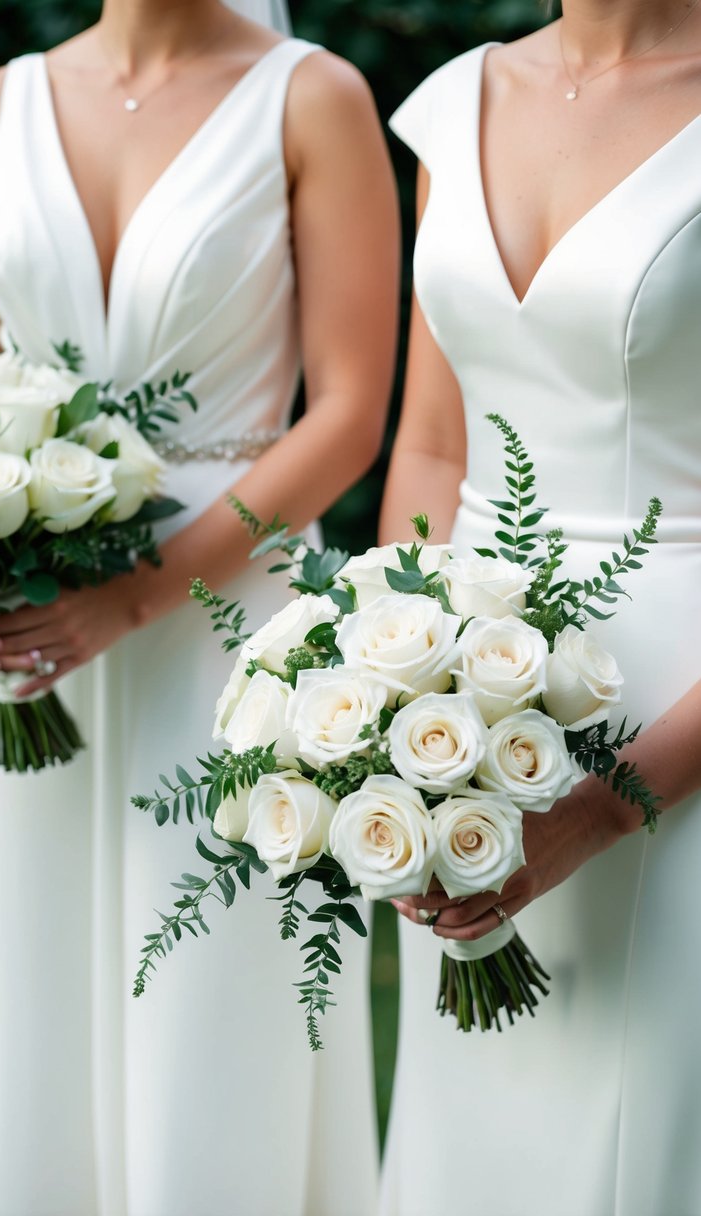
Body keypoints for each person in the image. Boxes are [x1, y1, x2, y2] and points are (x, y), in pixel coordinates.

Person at [0, 1, 399, 1212]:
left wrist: (142, 597)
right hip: (26, 639)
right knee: (30, 996)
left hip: (232, 636)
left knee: (215, 1003)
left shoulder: (312, 97)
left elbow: (349, 413)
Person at [379, 2, 701, 1213]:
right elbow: (426, 445)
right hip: (469, 712)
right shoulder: (454, 103)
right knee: (481, 1121)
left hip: (678, 709)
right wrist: (393, 692)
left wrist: (598, 810)